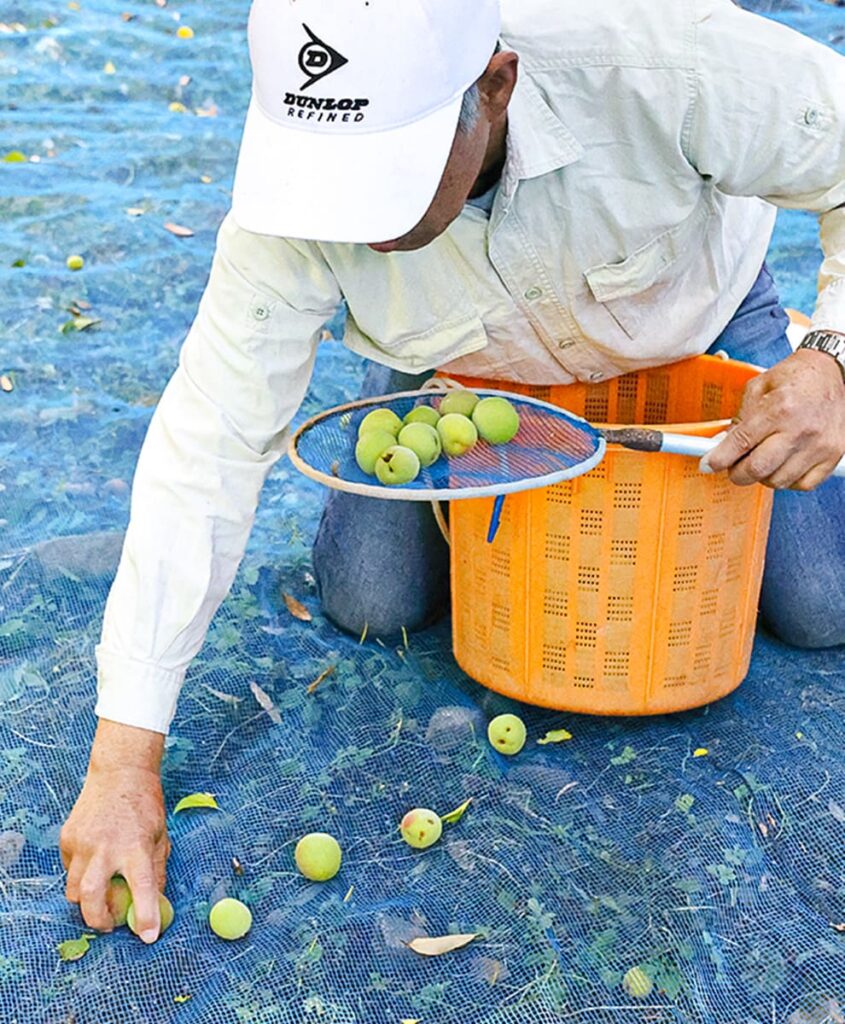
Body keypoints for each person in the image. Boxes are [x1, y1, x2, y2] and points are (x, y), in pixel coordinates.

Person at [60, 0, 845, 941]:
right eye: (330, 186)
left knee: (820, 599)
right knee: (369, 600)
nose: (350, 219)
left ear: (494, 87)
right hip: (467, 368)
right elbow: (208, 445)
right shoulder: (295, 192)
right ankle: (414, 378)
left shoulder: (654, 54)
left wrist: (832, 356)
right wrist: (120, 763)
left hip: (693, 325)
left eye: (383, 179)